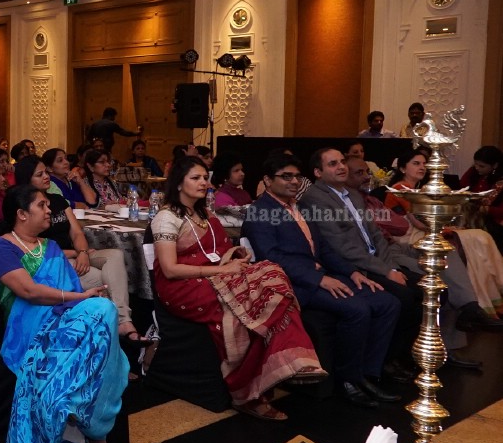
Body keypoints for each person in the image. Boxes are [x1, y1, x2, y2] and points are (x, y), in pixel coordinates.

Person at [153, 155, 324, 420]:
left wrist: (234, 254)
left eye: (204, 178)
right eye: (195, 178)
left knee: (271, 277)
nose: (203, 183)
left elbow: (217, 249)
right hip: (182, 287)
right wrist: (222, 270)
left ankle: (290, 363)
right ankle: (249, 393)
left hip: (214, 276)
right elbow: (170, 269)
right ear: (178, 183)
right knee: (245, 313)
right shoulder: (166, 217)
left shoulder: (203, 214)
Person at [0, 185, 130, 443]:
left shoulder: (49, 247)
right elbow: (29, 291)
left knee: (104, 310)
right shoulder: (0, 247)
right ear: (22, 214)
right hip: (28, 329)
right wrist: (78, 298)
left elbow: (72, 291)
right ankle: (96, 441)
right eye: (41, 205)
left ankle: (88, 419)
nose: (49, 209)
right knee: (97, 313)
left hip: (63, 318)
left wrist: (81, 299)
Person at [298, 147, 476, 373]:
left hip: (380, 259)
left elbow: (376, 234)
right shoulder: (315, 198)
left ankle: (410, 353)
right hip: (355, 266)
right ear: (318, 172)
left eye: (342, 161)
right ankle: (389, 360)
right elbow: (341, 246)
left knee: (433, 290)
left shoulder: (351, 194)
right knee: (406, 296)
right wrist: (386, 271)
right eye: (333, 164)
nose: (341, 166)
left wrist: (390, 265)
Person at [243, 152, 400, 407]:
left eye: (296, 176)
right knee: (357, 309)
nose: (293, 182)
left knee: (387, 303)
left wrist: (352, 272)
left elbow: (324, 249)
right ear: (267, 180)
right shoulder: (260, 213)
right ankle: (348, 379)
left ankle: (368, 374)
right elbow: (271, 259)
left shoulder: (300, 206)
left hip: (323, 273)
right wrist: (319, 280)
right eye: (286, 177)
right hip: (296, 283)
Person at [13, 156, 136, 336]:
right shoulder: (24, 208)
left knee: (116, 255)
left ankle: (121, 322)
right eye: (40, 174)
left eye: (46, 172)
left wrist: (83, 252)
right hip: (52, 260)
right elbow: (31, 246)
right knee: (103, 277)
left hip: (76, 255)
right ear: (27, 180)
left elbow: (77, 233)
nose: (46, 176)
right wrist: (74, 253)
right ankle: (117, 326)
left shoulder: (57, 200)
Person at [385, 149, 503, 328]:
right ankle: (473, 306)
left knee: (477, 239)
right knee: (467, 241)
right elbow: (420, 223)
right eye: (416, 163)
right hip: (407, 238)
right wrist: (447, 226)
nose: (422, 167)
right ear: (402, 168)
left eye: (424, 164)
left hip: (423, 234)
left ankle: (477, 306)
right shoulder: (401, 189)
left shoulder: (417, 189)